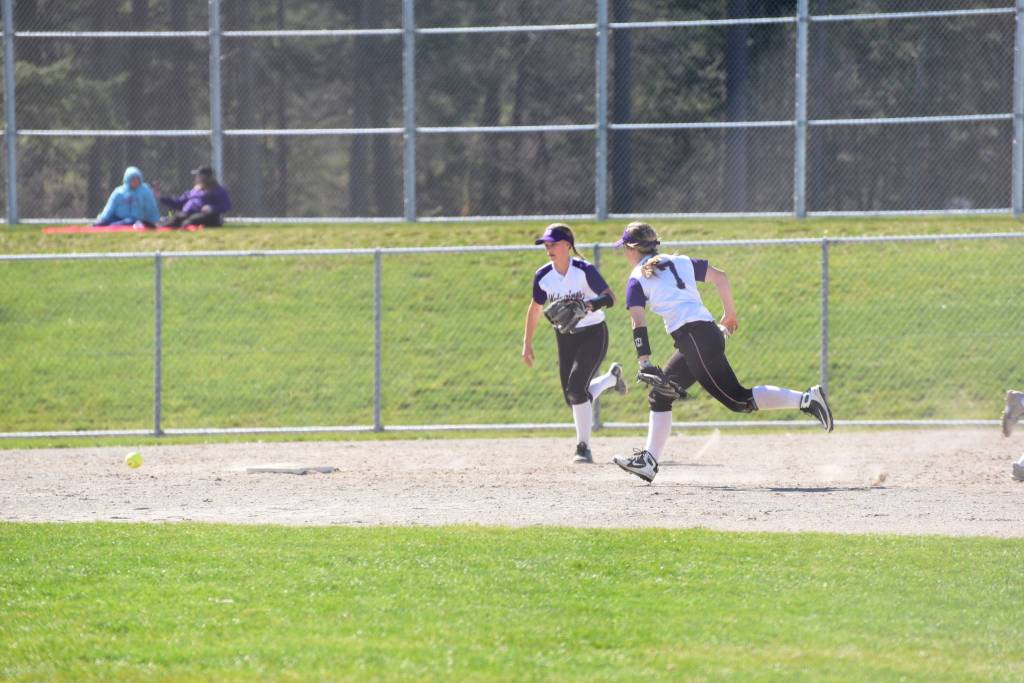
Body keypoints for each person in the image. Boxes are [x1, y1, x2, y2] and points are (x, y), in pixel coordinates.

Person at [609, 222, 834, 483]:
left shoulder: (637, 276)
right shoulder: (680, 261)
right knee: (660, 395)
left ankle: (807, 400)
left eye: (624, 248)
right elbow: (720, 277)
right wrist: (730, 314)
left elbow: (638, 321)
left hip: (695, 340)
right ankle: (648, 462)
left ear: (632, 249)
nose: (624, 253)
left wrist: (644, 361)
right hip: (700, 336)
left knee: (739, 400)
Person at [522, 223, 627, 464]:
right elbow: (535, 308)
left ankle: (583, 447)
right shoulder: (543, 276)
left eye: (554, 243)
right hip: (565, 337)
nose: (549, 248)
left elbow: (611, 298)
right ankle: (612, 379)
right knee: (572, 395)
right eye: (546, 245)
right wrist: (527, 343)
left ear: (568, 245)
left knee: (577, 389)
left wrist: (589, 305)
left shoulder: (583, 270)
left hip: (593, 333)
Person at [157, 165, 232, 227]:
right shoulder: (195, 190)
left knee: (189, 221)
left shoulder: (218, 190)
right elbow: (179, 203)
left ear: (205, 177)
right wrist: (162, 198)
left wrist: (212, 208)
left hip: (206, 217)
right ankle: (158, 227)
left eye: (198, 175)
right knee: (175, 219)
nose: (195, 178)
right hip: (187, 214)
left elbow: (226, 205)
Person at [93, 166, 161, 227]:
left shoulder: (145, 191)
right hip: (117, 217)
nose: (136, 181)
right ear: (127, 179)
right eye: (133, 179)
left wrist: (154, 220)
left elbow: (151, 207)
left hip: (133, 220)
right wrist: (103, 219)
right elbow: (110, 208)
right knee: (104, 223)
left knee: (121, 224)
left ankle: (112, 227)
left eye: (138, 178)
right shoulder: (119, 191)